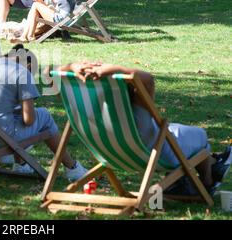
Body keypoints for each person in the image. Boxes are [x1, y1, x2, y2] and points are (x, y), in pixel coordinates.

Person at [56, 61, 232, 193]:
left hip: (108, 154)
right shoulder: (136, 111)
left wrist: (72, 65)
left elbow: (52, 73)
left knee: (175, 129)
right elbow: (147, 78)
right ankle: (208, 181)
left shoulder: (86, 108)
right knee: (200, 136)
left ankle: (203, 171)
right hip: (157, 154)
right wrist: (117, 69)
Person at [0, 44, 87, 181]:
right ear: (29, 66)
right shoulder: (21, 72)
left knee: (14, 115)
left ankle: (21, 164)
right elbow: (29, 120)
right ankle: (72, 168)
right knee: (44, 116)